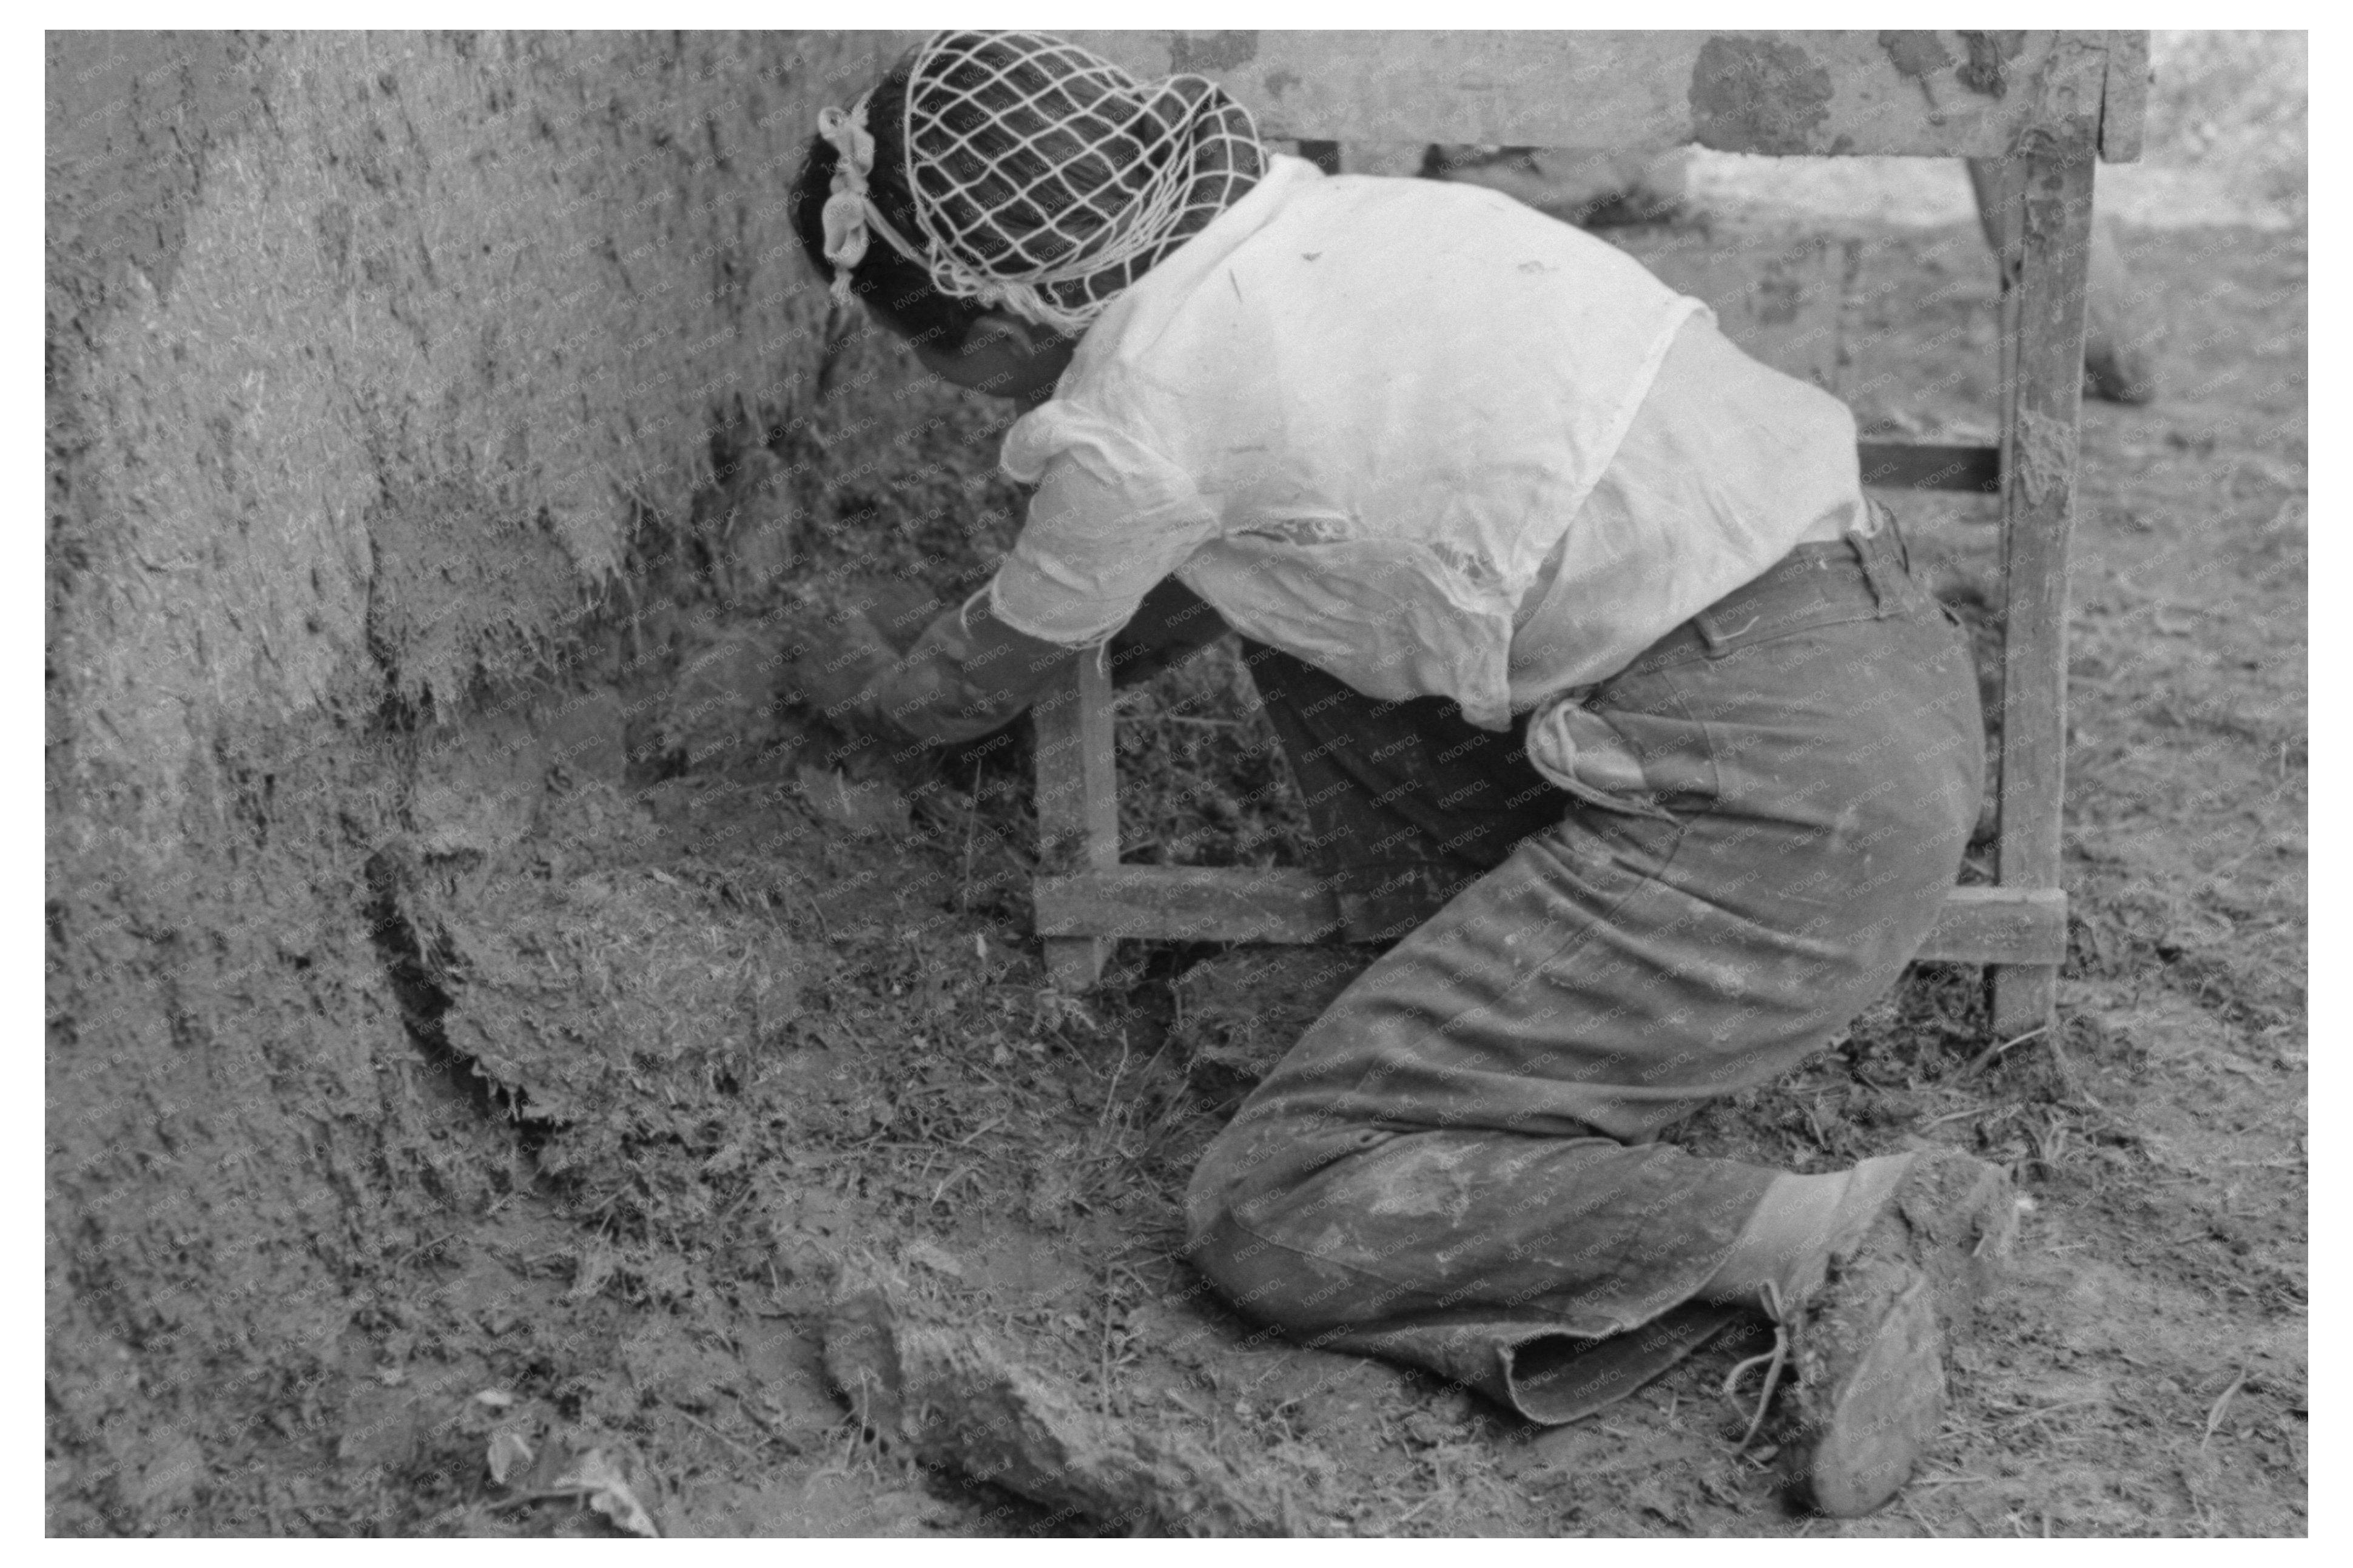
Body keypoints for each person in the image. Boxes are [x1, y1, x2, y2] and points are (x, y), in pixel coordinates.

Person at [784, 30, 2019, 1518]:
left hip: (1771, 804)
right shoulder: (1325, 222)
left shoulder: (1137, 419)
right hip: (1871, 667)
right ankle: (1478, 1001)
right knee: (1271, 583)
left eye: (927, 356)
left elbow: (1005, 655)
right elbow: (1158, 593)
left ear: (985, 335)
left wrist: (859, 706)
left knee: (1274, 1207)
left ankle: (1829, 1232)